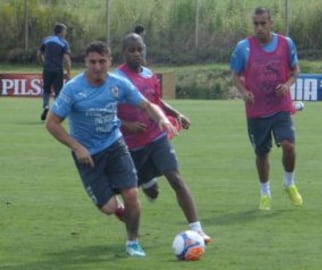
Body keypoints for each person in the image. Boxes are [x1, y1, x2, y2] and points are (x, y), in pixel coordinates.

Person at [45, 40, 176, 257]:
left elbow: (146, 104)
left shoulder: (118, 83)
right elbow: (51, 123)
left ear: (109, 62)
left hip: (115, 145)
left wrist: (162, 119)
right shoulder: (73, 89)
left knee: (132, 194)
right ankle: (122, 211)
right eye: (92, 62)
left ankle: (132, 242)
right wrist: (77, 147)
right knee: (108, 207)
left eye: (101, 61)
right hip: (87, 155)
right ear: (86, 62)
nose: (97, 67)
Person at [114, 33, 212, 244]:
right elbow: (106, 111)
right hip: (130, 146)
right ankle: (146, 183)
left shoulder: (150, 75)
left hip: (156, 137)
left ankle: (198, 229)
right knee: (146, 192)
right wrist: (127, 125)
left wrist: (176, 114)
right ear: (123, 53)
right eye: (132, 50)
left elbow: (156, 102)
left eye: (140, 49)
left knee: (175, 178)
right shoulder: (116, 79)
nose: (137, 54)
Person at [230, 7, 303, 211]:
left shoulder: (286, 44)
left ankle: (289, 183)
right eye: (256, 24)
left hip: (281, 106)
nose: (259, 28)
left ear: (271, 23)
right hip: (256, 110)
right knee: (262, 154)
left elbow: (295, 70)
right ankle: (265, 193)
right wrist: (244, 92)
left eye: (263, 23)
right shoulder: (243, 48)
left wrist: (287, 86)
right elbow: (235, 75)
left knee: (289, 145)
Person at [38, 23, 71, 121]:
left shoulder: (46, 40)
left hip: (47, 69)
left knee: (46, 89)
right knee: (58, 92)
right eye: (65, 31)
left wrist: (43, 63)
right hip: (57, 69)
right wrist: (68, 71)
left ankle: (46, 106)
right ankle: (55, 112)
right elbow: (66, 58)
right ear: (61, 32)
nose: (65, 33)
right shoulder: (63, 42)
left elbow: (39, 53)